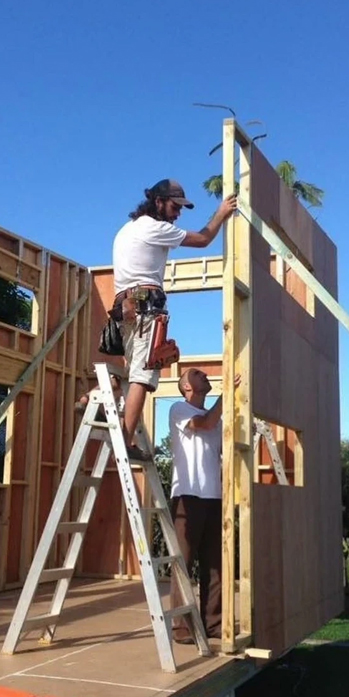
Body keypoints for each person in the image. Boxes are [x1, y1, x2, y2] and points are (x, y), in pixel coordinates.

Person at [111, 179, 237, 459]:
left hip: (125, 306)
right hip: (146, 305)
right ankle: (125, 442)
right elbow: (203, 239)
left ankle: (89, 398)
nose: (178, 213)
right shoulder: (154, 227)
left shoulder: (128, 229)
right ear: (158, 202)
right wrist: (221, 213)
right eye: (174, 206)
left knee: (131, 369)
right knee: (143, 377)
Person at [167, 368, 239, 644]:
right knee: (183, 564)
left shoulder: (215, 418)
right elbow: (205, 424)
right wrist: (227, 395)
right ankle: (182, 628)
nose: (204, 375)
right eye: (197, 374)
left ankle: (213, 624)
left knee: (215, 565)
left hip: (213, 497)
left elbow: (221, 438)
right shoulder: (179, 410)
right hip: (187, 495)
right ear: (186, 386)